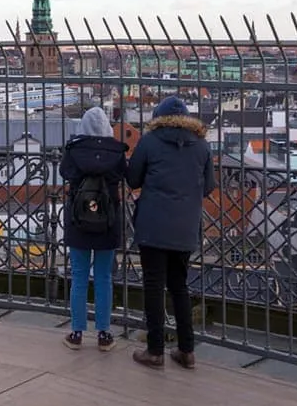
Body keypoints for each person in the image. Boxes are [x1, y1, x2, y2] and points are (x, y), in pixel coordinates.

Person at [126, 96, 215, 370]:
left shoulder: (150, 141)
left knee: (154, 286)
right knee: (179, 286)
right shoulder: (201, 146)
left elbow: (133, 179)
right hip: (186, 227)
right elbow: (209, 187)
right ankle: (187, 350)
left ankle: (155, 351)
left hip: (153, 225)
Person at [59, 106, 129, 351]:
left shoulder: (74, 150)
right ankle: (104, 334)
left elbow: (64, 172)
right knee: (103, 277)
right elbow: (125, 175)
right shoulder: (117, 152)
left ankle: (77, 332)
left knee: (79, 276)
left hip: (79, 219)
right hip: (107, 220)